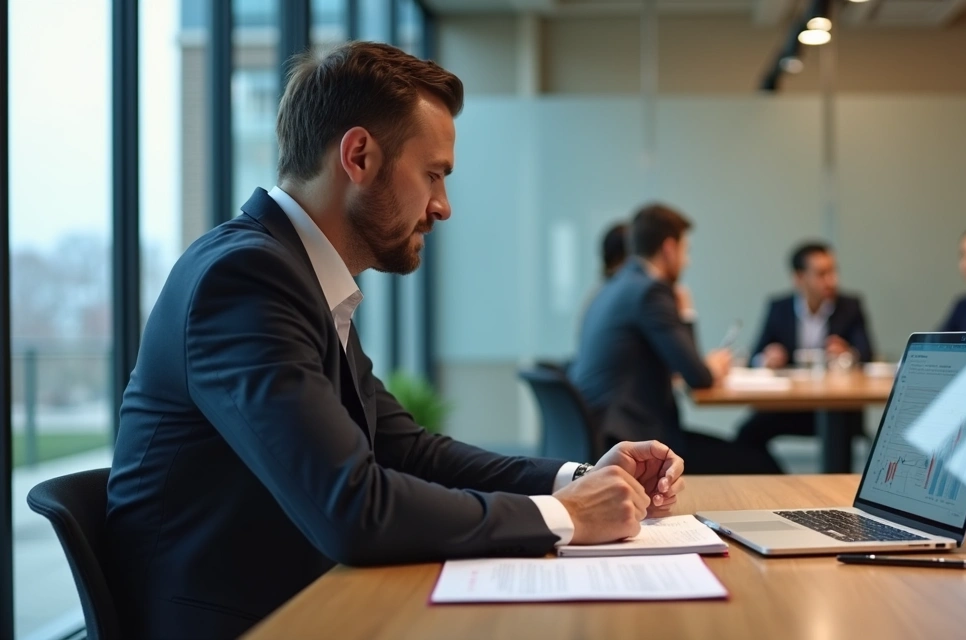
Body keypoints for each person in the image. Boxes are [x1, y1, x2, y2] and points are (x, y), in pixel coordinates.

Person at [105, 44, 686, 639]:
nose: (443, 207)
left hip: (303, 602)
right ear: (358, 156)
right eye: (433, 174)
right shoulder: (248, 279)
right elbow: (351, 508)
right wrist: (564, 515)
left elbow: (409, 451)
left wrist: (579, 478)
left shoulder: (295, 274)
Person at [569, 204, 782, 475]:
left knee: (747, 449)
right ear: (669, 249)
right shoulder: (651, 292)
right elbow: (698, 377)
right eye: (686, 251)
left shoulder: (613, 286)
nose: (687, 261)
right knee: (762, 464)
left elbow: (672, 365)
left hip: (604, 435)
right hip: (632, 444)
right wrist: (690, 316)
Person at [734, 242, 874, 473]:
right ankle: (778, 479)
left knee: (839, 430)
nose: (831, 281)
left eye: (833, 271)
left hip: (837, 407)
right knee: (747, 434)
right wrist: (766, 358)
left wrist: (849, 354)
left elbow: (866, 354)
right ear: (799, 278)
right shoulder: (779, 307)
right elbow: (754, 356)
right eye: (821, 274)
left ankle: (836, 489)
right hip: (790, 407)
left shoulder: (849, 306)